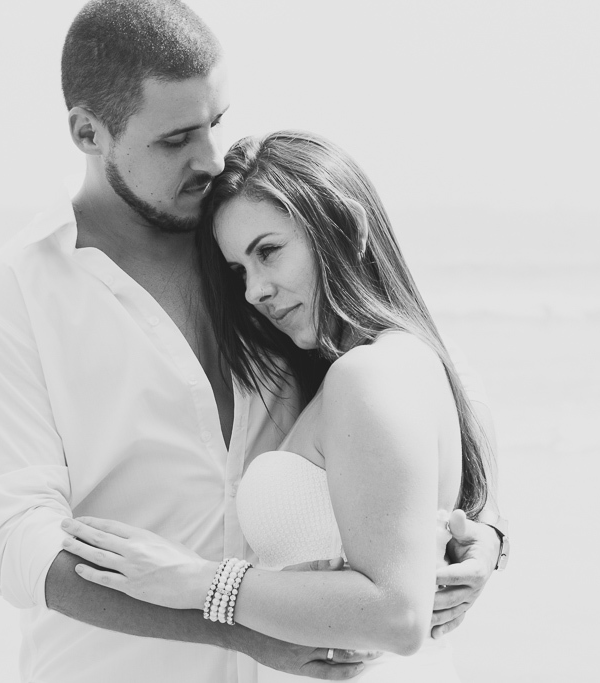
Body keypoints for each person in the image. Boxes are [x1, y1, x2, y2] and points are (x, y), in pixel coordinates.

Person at [0, 2, 507, 682]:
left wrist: (488, 532)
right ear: (88, 132)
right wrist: (231, 621)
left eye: (215, 123)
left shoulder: (250, 241)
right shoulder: (16, 300)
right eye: (175, 139)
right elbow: (17, 545)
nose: (209, 159)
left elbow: (424, 389)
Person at [59, 130, 498, 682]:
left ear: (349, 229)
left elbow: (398, 613)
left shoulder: (369, 375)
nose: (254, 292)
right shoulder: (404, 362)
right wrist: (492, 538)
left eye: (269, 252)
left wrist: (195, 580)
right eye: (240, 270)